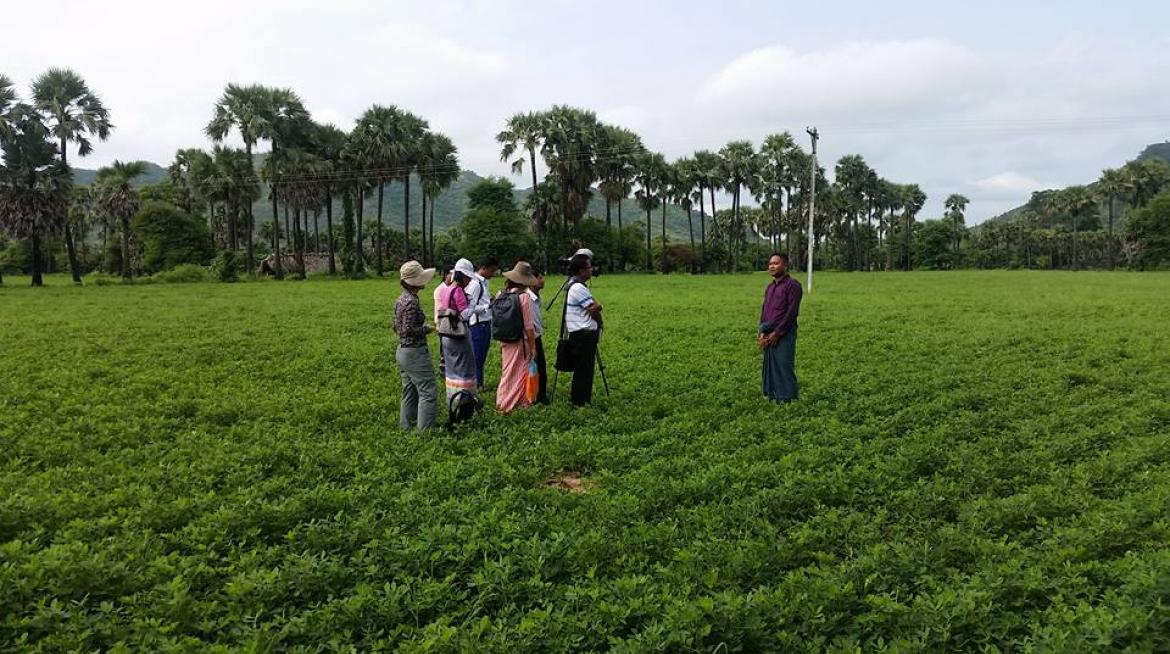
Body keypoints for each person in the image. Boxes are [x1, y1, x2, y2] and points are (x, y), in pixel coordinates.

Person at [393, 260, 438, 430]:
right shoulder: (412, 302)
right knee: (428, 391)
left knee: (410, 390)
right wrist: (426, 328)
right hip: (414, 352)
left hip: (402, 351)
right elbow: (407, 329)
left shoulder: (401, 299)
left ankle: (406, 426)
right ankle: (426, 431)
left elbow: (396, 327)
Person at [495, 261, 539, 413]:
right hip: (520, 341)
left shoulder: (501, 294)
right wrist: (533, 346)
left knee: (507, 371)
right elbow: (528, 326)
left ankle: (502, 401)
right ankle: (513, 404)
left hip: (504, 339)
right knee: (520, 373)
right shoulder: (524, 297)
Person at [759, 253, 803, 403]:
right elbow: (764, 310)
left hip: (785, 332)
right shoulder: (770, 287)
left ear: (785, 265)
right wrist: (762, 332)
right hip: (768, 331)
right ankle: (772, 395)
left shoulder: (793, 286)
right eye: (770, 263)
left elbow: (792, 312)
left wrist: (777, 333)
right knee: (770, 367)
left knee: (783, 365)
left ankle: (787, 398)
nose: (772, 266)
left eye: (776, 263)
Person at [564, 253, 602, 406]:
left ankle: (581, 399)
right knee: (583, 370)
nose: (591, 270)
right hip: (583, 335)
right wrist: (599, 309)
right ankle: (580, 401)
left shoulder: (575, 286)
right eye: (588, 267)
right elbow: (593, 308)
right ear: (580, 271)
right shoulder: (578, 288)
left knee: (584, 369)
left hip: (580, 334)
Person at [439, 258, 479, 402]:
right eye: (468, 277)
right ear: (462, 275)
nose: (469, 281)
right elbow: (464, 314)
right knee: (464, 367)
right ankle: (464, 401)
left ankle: (452, 399)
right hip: (458, 334)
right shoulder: (458, 291)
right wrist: (473, 303)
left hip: (446, 335)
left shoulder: (447, 289)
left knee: (452, 369)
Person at [465, 256, 499, 389]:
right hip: (478, 325)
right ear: (483, 268)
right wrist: (489, 305)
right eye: (492, 270)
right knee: (477, 357)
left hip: (485, 323)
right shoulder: (475, 284)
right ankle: (476, 385)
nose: (493, 273)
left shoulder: (484, 282)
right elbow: (469, 307)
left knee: (482, 356)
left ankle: (479, 383)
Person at [526, 268, 550, 405]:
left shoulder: (536, 297)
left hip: (536, 335)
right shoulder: (528, 298)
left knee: (539, 366)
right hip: (532, 337)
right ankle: (538, 396)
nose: (543, 280)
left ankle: (537, 393)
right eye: (540, 278)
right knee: (538, 366)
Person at [432, 265, 454, 377]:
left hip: (453, 321)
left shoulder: (454, 288)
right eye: (451, 273)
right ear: (446, 275)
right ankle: (443, 370)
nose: (453, 276)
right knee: (444, 346)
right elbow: (439, 309)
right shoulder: (439, 290)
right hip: (443, 321)